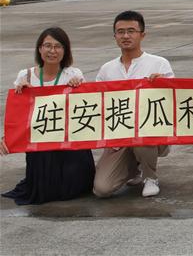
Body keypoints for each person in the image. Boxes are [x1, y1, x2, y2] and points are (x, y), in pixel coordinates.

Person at [0, 28, 95, 205]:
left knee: (72, 187)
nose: (52, 51)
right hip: (41, 141)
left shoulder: (73, 74)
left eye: (58, 46)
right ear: (39, 49)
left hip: (69, 141)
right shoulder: (25, 76)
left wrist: (78, 87)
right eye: (48, 46)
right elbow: (18, 115)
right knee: (45, 189)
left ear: (65, 50)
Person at [93, 11, 175, 198]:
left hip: (151, 133)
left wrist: (164, 84)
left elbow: (174, 99)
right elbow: (96, 102)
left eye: (131, 31)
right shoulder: (107, 69)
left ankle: (150, 177)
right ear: (114, 37)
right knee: (102, 189)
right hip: (119, 136)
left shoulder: (159, 64)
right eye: (120, 32)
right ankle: (134, 169)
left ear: (142, 35)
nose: (126, 36)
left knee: (142, 130)